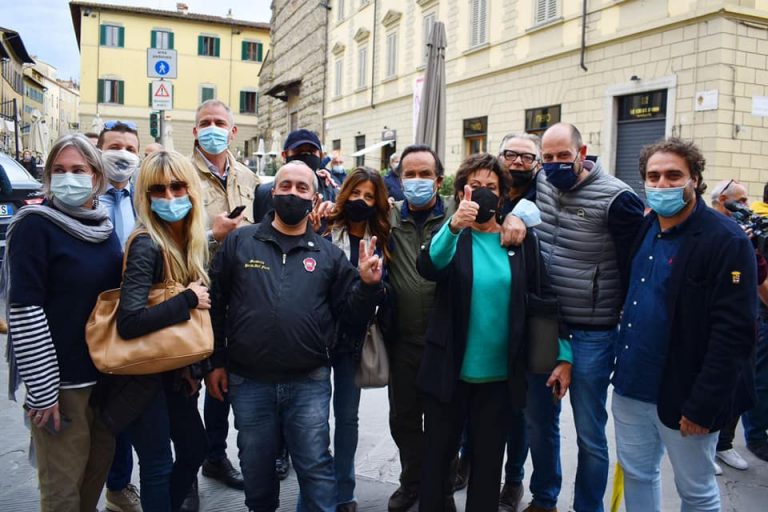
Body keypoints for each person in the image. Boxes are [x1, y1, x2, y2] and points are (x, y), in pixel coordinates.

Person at [205, 161, 384, 512]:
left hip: (309, 381)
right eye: (285, 186)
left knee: (316, 469)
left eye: (301, 188)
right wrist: (216, 362)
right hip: (249, 381)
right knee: (256, 472)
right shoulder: (241, 242)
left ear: (313, 197)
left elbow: (351, 317)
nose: (292, 193)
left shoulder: (329, 255)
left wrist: (367, 285)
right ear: (273, 192)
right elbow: (216, 305)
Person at [416, 153, 568, 512]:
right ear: (461, 191)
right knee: (437, 461)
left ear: (502, 196)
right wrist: (454, 227)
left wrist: (562, 354)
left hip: (498, 378)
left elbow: (543, 298)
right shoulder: (452, 236)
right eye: (475, 186)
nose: (483, 193)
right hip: (449, 370)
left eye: (492, 187)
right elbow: (429, 266)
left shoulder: (518, 239)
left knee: (487, 468)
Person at [612, 137, 757, 511]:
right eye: (653, 176)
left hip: (685, 395)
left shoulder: (726, 240)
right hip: (631, 387)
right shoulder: (646, 227)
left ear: (695, 178)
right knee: (639, 475)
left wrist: (704, 404)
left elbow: (735, 332)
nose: (662, 184)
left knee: (696, 492)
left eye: (674, 175)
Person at [522, 122, 644, 512]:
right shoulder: (540, 182)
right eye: (548, 157)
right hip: (545, 325)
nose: (555, 164)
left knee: (590, 433)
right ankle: (544, 498)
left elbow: (633, 265)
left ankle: (587, 507)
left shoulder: (616, 198)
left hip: (593, 331)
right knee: (540, 422)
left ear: (582, 151)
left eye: (563, 156)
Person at [4, 133, 121, 511]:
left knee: (91, 484)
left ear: (97, 177)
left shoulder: (103, 228)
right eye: (59, 170)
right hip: (61, 387)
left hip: (103, 381)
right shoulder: (35, 225)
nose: (68, 177)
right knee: (61, 495)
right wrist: (42, 390)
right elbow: (24, 309)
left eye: (78, 169)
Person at [112, 150, 210, 512]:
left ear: (191, 190)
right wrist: (186, 299)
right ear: (145, 195)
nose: (169, 197)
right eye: (158, 190)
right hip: (141, 376)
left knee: (194, 448)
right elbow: (130, 321)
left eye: (177, 186)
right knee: (157, 464)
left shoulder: (187, 242)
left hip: (170, 372)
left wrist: (189, 368)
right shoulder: (146, 243)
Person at [496, 133, 572, 512]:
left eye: (527, 157)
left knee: (540, 421)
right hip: (494, 328)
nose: (518, 163)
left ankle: (542, 496)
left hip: (540, 322)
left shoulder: (553, 195)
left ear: (538, 164)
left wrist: (564, 348)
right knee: (503, 414)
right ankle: (501, 477)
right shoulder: (486, 193)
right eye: (510, 155)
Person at [190, 99, 257, 505]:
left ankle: (215, 455)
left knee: (224, 377)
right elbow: (169, 237)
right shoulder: (181, 174)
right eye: (205, 123)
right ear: (195, 130)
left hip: (241, 292)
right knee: (193, 379)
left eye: (220, 123)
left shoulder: (248, 177)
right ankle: (193, 460)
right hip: (196, 291)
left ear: (233, 132)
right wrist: (212, 235)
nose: (212, 128)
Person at [324, 167, 391, 511]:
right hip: (318, 339)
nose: (361, 201)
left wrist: (373, 284)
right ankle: (317, 484)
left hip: (355, 341)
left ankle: (344, 492)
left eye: (369, 196)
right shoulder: (323, 228)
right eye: (356, 193)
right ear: (345, 193)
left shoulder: (381, 237)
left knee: (347, 418)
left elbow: (387, 290)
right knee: (313, 418)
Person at [94, 120, 143, 512]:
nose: (123, 154)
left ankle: (118, 485)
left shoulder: (142, 198)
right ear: (99, 150)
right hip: (89, 316)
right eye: (114, 146)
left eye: (130, 148)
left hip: (130, 319)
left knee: (120, 410)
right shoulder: (85, 198)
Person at [710, 179, 768, 474]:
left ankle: (723, 444)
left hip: (745, 322)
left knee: (738, 384)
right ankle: (704, 448)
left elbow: (757, 276)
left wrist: (750, 248)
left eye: (746, 200)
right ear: (722, 202)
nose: (746, 206)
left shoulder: (747, 234)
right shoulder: (708, 229)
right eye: (740, 201)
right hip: (713, 325)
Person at [252, 129, 338, 222]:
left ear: (320, 156)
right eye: (299, 152)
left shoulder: (331, 190)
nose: (306, 156)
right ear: (284, 155)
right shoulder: (263, 193)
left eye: (311, 151)